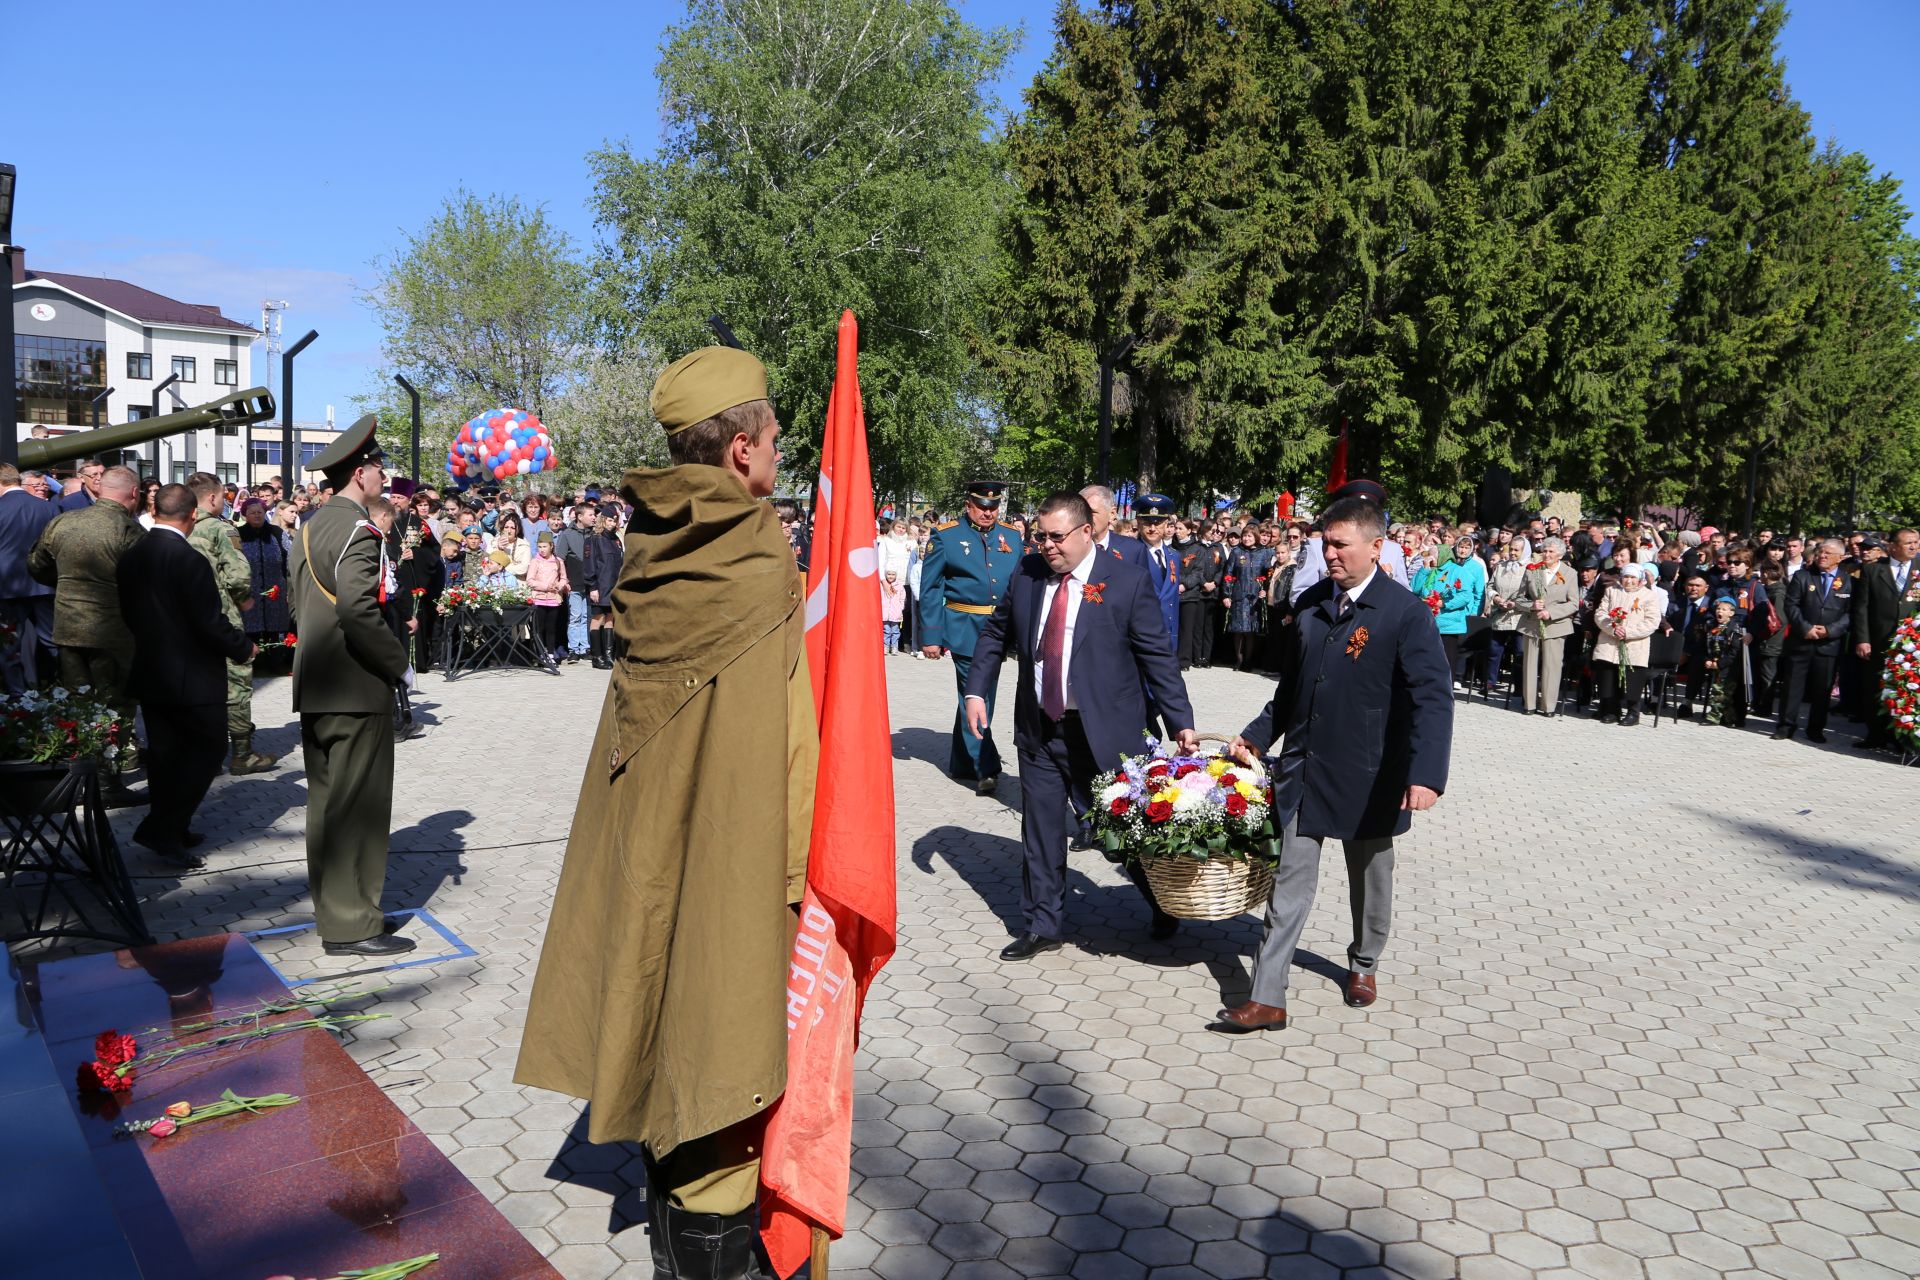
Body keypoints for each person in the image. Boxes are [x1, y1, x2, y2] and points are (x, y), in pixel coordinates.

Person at [516, 346, 816, 1277]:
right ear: (740, 453)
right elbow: (788, 738)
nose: (778, 456)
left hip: (651, 825)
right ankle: (715, 1247)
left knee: (663, 987)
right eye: (772, 438)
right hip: (736, 836)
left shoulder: (654, 548)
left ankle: (675, 1219)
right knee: (721, 1013)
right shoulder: (757, 559)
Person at [1219, 495, 1453, 1032]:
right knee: (1288, 883)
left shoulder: (1406, 614)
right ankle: (1268, 996)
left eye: (1341, 544)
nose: (1330, 554)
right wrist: (1256, 737)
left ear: (1376, 548)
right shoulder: (1311, 606)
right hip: (1305, 768)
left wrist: (1426, 774)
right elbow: (1292, 688)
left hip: (1372, 774)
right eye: (1326, 543)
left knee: (1370, 876)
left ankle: (1364, 962)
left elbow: (1433, 698)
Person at [964, 491, 1198, 959]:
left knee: (1123, 829)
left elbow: (1157, 656)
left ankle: (1162, 901)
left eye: (1056, 537)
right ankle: (1042, 923)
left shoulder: (1127, 582)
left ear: (1086, 532)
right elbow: (996, 631)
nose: (1046, 546)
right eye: (1040, 537)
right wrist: (975, 690)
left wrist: (1181, 724)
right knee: (1041, 829)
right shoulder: (1028, 573)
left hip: (1104, 730)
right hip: (1040, 726)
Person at [287, 415, 417, 959]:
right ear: (361, 473)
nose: (383, 476)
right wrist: (399, 665)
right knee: (358, 809)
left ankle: (341, 910)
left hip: (317, 681)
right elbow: (360, 612)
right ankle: (351, 924)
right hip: (355, 686)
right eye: (379, 467)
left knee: (328, 806)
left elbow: (302, 603)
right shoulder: (361, 530)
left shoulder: (310, 525)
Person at [117, 484, 258, 867]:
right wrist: (242, 646)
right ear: (193, 514)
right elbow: (207, 621)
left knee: (166, 755)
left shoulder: (133, 554)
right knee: (208, 749)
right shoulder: (187, 558)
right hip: (192, 675)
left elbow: (127, 613)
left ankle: (172, 830)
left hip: (152, 668)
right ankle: (162, 827)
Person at [26, 465, 145, 783]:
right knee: (115, 704)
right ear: (133, 493)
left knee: (79, 703)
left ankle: (81, 774)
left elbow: (36, 565)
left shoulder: (62, 521)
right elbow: (146, 582)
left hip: (68, 628)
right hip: (113, 632)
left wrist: (65, 582)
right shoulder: (129, 529)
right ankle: (108, 780)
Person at [917, 481, 1024, 795]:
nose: (988, 512)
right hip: (965, 628)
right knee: (978, 696)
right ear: (968, 505)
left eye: (993, 507)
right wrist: (931, 635)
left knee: (978, 693)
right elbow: (931, 587)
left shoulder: (1012, 536)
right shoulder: (947, 536)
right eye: (981, 506)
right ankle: (985, 766)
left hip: (1000, 629)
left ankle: (963, 761)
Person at [185, 474, 278, 775]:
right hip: (223, 616)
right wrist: (244, 598)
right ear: (213, 497)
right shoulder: (219, 527)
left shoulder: (179, 525)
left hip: (188, 621)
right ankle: (242, 753)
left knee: (198, 685)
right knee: (236, 684)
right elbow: (238, 574)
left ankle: (202, 755)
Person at [1775, 538, 1852, 743]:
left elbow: (1850, 614)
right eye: (1819, 552)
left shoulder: (1850, 580)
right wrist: (1805, 627)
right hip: (1801, 640)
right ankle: (1786, 725)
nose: (1822, 556)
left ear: (1840, 557)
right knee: (1792, 685)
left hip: (1828, 644)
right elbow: (1791, 605)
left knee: (1822, 689)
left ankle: (1816, 728)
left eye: (1828, 553)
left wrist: (1830, 630)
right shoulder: (1803, 576)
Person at [1850, 527, 1920, 750]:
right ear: (1892, 546)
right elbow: (1861, 608)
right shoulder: (1872, 571)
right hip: (1878, 640)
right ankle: (1875, 735)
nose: (1913, 547)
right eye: (1908, 543)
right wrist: (1862, 639)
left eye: (1916, 543)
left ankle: (1901, 737)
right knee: (1874, 687)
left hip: (1911, 644)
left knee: (1905, 688)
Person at [1289, 480, 1410, 602]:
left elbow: (1404, 595)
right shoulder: (1315, 546)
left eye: (1367, 512)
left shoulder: (1393, 549)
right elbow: (1299, 594)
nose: (1329, 554)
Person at [0, 463, 61, 690]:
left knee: (9, 647)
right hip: (43, 586)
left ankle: (17, 697)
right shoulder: (49, 508)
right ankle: (64, 691)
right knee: (54, 642)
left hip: (8, 588)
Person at [1511, 538, 1580, 715]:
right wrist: (1531, 606)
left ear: (1560, 554)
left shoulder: (1570, 573)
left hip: (1556, 625)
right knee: (1530, 665)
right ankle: (1529, 704)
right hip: (1532, 624)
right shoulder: (1533, 570)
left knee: (1552, 666)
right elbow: (1519, 598)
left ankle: (1548, 706)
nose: (1546, 554)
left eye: (1551, 552)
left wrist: (1552, 612)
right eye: (1545, 551)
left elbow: (1573, 603)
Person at [1592, 562, 1663, 725]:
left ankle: (1633, 712)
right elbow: (1600, 613)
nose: (1629, 581)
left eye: (1632, 577)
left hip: (1635, 643)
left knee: (1633, 679)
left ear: (1639, 579)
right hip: (1610, 640)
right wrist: (1613, 628)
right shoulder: (1611, 591)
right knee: (1609, 675)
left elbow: (1652, 621)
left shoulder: (1648, 595)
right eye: (1626, 577)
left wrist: (1628, 632)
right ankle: (1611, 710)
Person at [1430, 536, 1486, 690]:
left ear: (1472, 550)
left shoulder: (1476, 567)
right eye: (1461, 547)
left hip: (1465, 611)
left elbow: (1479, 592)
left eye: (1467, 548)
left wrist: (1475, 612)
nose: (1463, 550)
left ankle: (1459, 677)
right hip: (1444, 612)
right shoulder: (1449, 563)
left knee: (1460, 646)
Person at [235, 499, 292, 644]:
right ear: (245, 515)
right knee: (250, 629)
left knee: (275, 630)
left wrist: (289, 588)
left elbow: (290, 558)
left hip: (276, 590)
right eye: (252, 512)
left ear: (265, 513)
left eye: (260, 512)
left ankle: (275, 658)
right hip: (249, 591)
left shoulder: (277, 533)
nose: (256, 515)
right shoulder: (237, 534)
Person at [1222, 524, 1274, 671]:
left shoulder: (1264, 553)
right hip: (1239, 594)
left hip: (1255, 596)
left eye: (1250, 536)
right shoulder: (1236, 552)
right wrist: (1226, 594)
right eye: (1244, 535)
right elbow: (1228, 574)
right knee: (1238, 629)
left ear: (1256, 537)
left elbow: (1269, 574)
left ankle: (1249, 661)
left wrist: (1265, 589)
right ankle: (1238, 659)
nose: (1246, 538)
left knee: (1251, 630)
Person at [1481, 539, 1528, 695]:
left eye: (1517, 550)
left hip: (1519, 617)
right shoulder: (1501, 566)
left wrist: (1516, 603)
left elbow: (1532, 592)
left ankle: (1520, 687)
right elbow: (1490, 585)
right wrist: (1496, 598)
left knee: (1519, 653)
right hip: (1500, 614)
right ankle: (1489, 682)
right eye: (1511, 549)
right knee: (1494, 650)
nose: (1513, 553)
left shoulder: (1530, 569)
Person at [554, 503, 596, 663]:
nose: (594, 517)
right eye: (590, 514)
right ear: (579, 516)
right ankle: (573, 649)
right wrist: (564, 580)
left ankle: (584, 648)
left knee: (586, 616)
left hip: (590, 582)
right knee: (575, 616)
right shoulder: (567, 534)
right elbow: (560, 559)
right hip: (574, 581)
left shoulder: (593, 534)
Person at [526, 531, 571, 664]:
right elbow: (530, 580)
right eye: (539, 547)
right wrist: (546, 586)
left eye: (544, 547)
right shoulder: (535, 561)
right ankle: (539, 652)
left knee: (551, 627)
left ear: (551, 546)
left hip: (554, 599)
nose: (542, 550)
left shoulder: (558, 562)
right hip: (539, 598)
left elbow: (563, 577)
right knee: (540, 628)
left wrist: (560, 585)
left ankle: (550, 653)